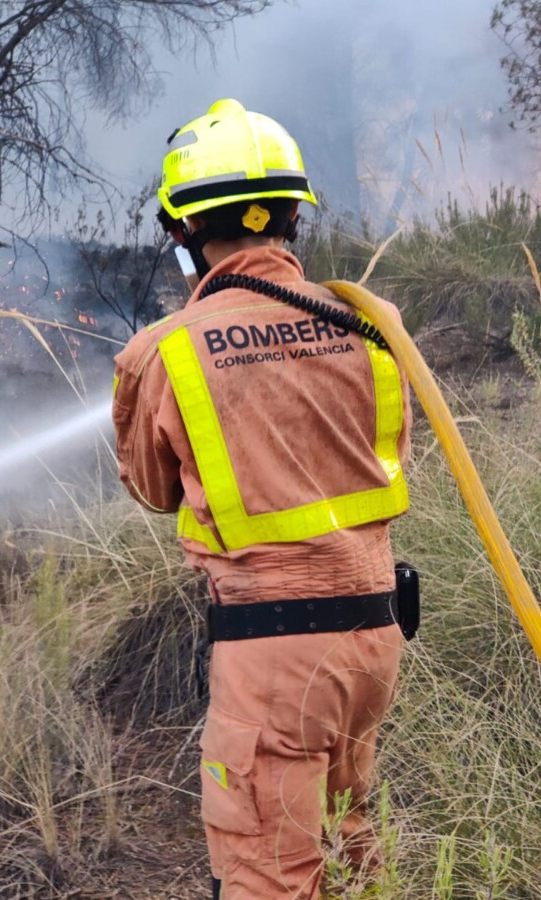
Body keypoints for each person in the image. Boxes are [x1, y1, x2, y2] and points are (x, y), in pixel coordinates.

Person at [111, 98, 412, 900]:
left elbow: (151, 487)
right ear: (291, 218)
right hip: (374, 641)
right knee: (351, 845)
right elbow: (381, 459)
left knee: (267, 874)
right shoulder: (370, 324)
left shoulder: (165, 351)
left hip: (273, 654)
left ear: (183, 232)